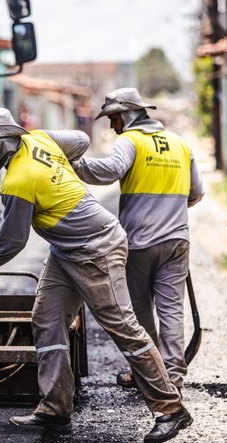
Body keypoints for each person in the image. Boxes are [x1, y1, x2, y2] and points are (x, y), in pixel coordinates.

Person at [0, 107, 192, 443]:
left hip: (97, 247)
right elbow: (81, 140)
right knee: (47, 318)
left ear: (1, 141)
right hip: (65, 250)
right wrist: (63, 165)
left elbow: (11, 242)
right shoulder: (41, 139)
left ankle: (170, 408)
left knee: (124, 327)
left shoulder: (18, 181)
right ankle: (55, 406)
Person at [70, 88, 204, 391]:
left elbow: (109, 171)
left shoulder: (130, 140)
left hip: (141, 243)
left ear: (125, 114)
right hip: (176, 242)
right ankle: (173, 377)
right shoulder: (180, 144)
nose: (111, 126)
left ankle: (148, 375)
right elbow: (196, 193)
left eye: (113, 118)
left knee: (140, 310)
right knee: (171, 309)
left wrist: (73, 164)